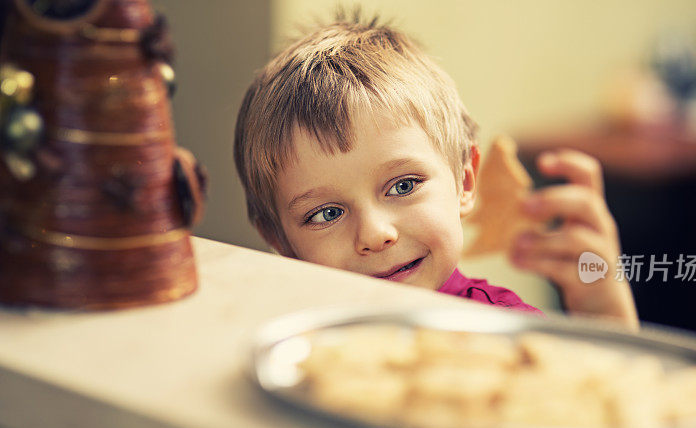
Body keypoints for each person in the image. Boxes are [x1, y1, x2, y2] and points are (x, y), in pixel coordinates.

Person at [233, 13, 638, 329]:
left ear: (464, 181)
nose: (375, 234)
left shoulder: (510, 330)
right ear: (279, 240)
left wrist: (605, 315)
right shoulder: (288, 336)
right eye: (327, 214)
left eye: (403, 186)